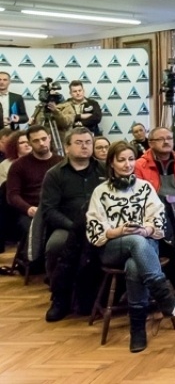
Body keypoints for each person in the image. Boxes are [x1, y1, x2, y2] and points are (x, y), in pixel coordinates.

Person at [86, 141, 175, 353]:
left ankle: (138, 329)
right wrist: (117, 232)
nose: (127, 164)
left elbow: (159, 220)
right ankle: (164, 295)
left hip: (145, 244)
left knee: (135, 264)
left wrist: (145, 230)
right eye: (121, 160)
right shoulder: (100, 191)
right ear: (111, 163)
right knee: (135, 242)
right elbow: (93, 228)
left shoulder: (145, 188)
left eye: (130, 159)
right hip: (112, 247)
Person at [40, 127, 105, 322]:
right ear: (67, 147)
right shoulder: (54, 174)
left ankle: (94, 295)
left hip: (101, 225)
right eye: (79, 142)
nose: (84, 146)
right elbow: (49, 210)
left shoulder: (104, 169)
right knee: (55, 246)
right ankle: (59, 298)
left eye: (88, 142)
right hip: (67, 225)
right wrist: (74, 227)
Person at [134, 127, 175, 232]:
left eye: (169, 138)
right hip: (154, 217)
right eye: (160, 139)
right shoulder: (139, 165)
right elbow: (139, 198)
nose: (166, 142)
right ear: (150, 143)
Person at [6, 125, 63, 237]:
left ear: (49, 137)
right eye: (36, 140)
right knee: (35, 234)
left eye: (44, 139)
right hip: (31, 211)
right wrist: (28, 208)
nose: (41, 143)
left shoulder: (62, 163)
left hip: (58, 209)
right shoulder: (18, 165)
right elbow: (12, 195)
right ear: (30, 143)